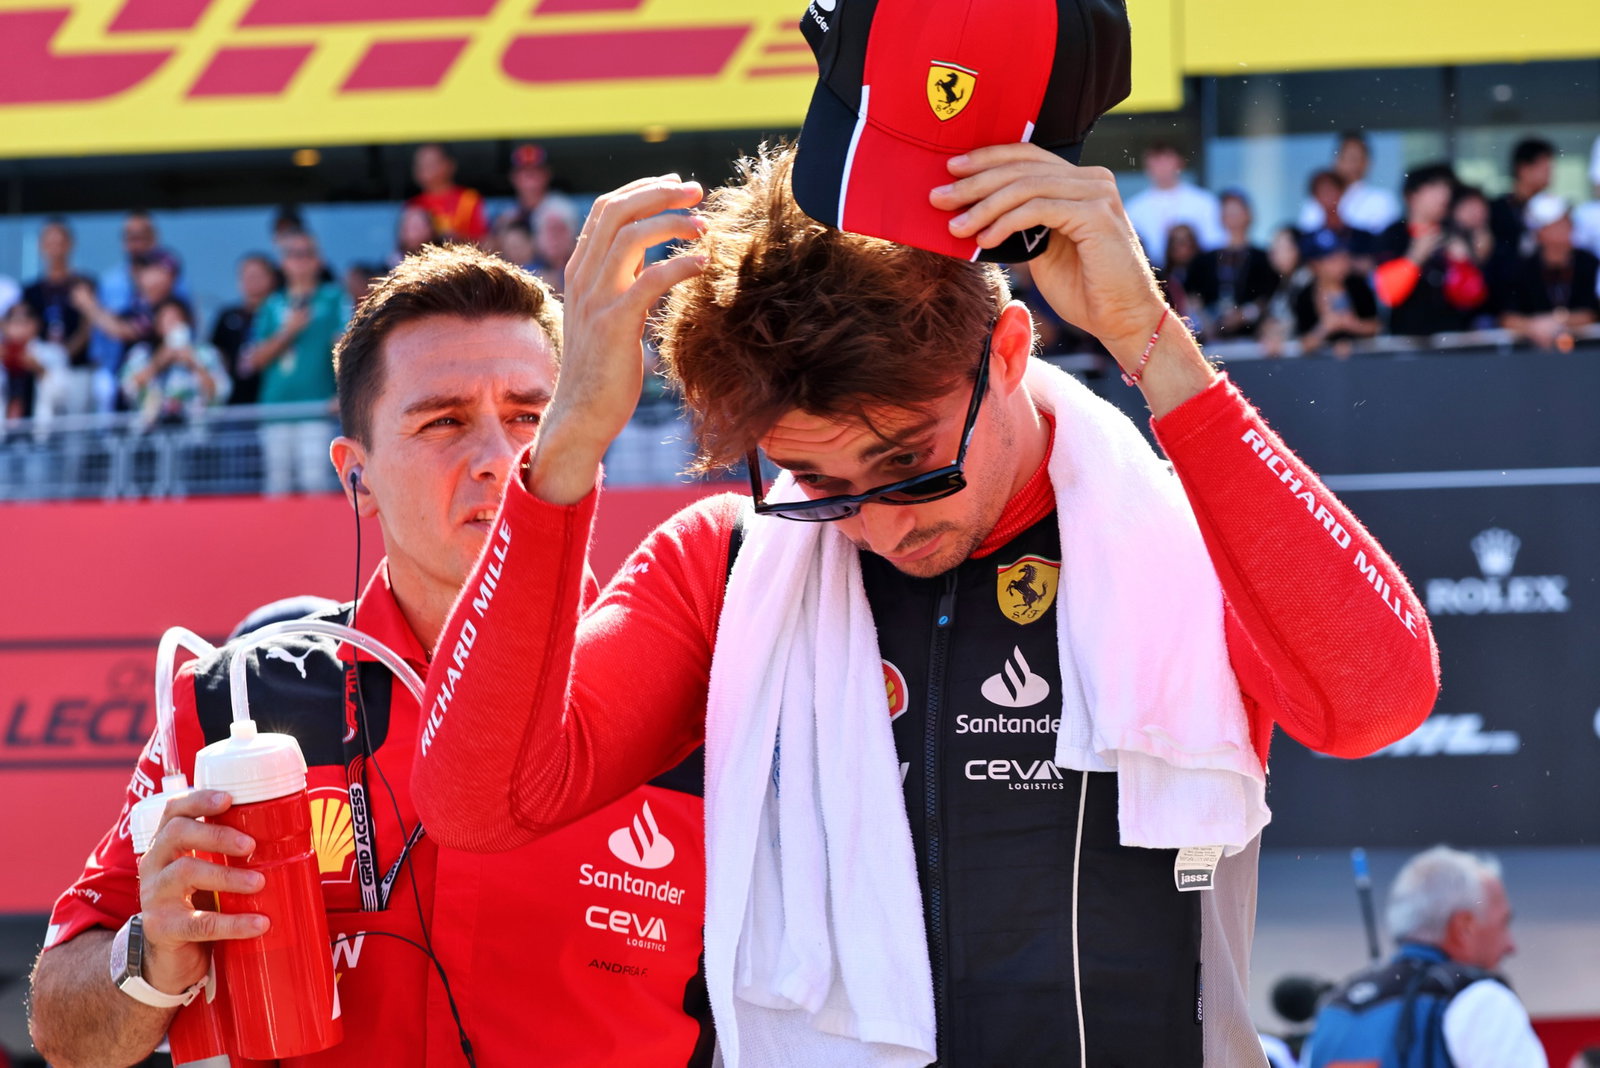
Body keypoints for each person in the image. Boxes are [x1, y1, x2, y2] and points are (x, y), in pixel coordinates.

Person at [408, 142, 1439, 1066]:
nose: (880, 523)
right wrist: (567, 450)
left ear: (1005, 353)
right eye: (820, 483)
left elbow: (1373, 704)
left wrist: (1153, 344)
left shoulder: (1179, 539)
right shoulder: (728, 565)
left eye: (906, 466)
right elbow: (477, 803)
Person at [27, 245, 713, 1068]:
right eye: (444, 421)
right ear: (358, 478)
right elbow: (60, 1030)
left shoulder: (690, 692)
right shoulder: (235, 698)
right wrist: (147, 957)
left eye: (533, 415)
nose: (501, 456)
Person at [1302, 845, 1546, 1068]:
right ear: (1464, 926)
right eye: (1504, 923)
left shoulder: (1332, 1011)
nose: (1511, 946)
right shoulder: (1481, 1001)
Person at [241, 230, 346, 494]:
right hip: (276, 408)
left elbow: (348, 350)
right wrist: (289, 331)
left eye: (306, 254)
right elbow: (255, 360)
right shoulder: (271, 304)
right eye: (293, 255)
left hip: (317, 407)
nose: (300, 260)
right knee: (277, 487)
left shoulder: (333, 298)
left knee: (315, 484)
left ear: (318, 261)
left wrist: (345, 392)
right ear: (284, 263)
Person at [1374, 163, 1487, 337]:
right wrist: (1414, 258)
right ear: (1411, 195)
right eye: (1434, 187)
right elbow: (1388, 294)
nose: (1444, 195)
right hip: (1406, 343)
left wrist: (1461, 264)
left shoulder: (1454, 232)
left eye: (1447, 188)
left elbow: (1473, 296)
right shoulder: (1393, 235)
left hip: (1453, 341)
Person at [1500, 193, 1600, 350]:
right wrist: (1534, 326)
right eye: (1559, 223)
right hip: (1532, 359)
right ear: (1541, 232)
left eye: (1567, 221)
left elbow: (1591, 314)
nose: (1569, 226)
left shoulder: (1588, 262)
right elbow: (1508, 317)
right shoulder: (1522, 267)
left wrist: (1557, 321)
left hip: (1586, 353)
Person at [118, 298, 230, 427]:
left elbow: (220, 392)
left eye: (177, 318)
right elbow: (127, 388)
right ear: (157, 325)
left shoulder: (206, 353)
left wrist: (194, 363)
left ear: (188, 322)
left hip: (196, 433)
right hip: (149, 435)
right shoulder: (142, 353)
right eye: (166, 319)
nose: (172, 324)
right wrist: (158, 362)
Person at [1185, 190, 1279, 340]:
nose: (1232, 217)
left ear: (1249, 215)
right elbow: (1192, 296)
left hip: (1252, 340)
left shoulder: (1264, 258)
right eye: (1228, 212)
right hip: (1211, 341)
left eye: (1237, 211)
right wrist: (1204, 321)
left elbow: (1270, 296)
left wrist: (1245, 314)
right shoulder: (1204, 260)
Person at [1124, 142, 1224, 267]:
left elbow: (1214, 243)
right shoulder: (1133, 208)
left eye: (1167, 159)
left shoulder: (1204, 201)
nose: (1162, 166)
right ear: (1147, 165)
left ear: (1180, 163)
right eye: (1156, 160)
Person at [1294, 229, 1380, 357]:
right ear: (1315, 265)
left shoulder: (1357, 286)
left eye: (1342, 256)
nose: (1341, 263)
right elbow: (1303, 343)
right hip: (1319, 368)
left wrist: (1353, 325)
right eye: (1332, 259)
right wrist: (1325, 328)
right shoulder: (1304, 295)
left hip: (1362, 364)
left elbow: (1377, 326)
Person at [210, 252, 280, 406]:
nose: (251, 280)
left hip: (273, 401)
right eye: (246, 275)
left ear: (272, 278)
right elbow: (216, 356)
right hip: (235, 403)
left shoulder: (282, 316)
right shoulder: (227, 317)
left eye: (257, 275)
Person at [1298, 131, 1402, 235]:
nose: (1352, 164)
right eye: (1347, 157)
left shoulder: (1382, 200)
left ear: (1367, 162)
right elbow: (1308, 237)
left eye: (1356, 158)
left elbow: (1386, 241)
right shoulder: (1316, 202)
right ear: (1336, 160)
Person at [406, 144, 488, 245]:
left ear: (449, 165)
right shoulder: (413, 204)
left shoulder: (468, 199)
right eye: (419, 164)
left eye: (430, 163)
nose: (423, 169)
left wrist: (454, 238)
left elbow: (482, 239)